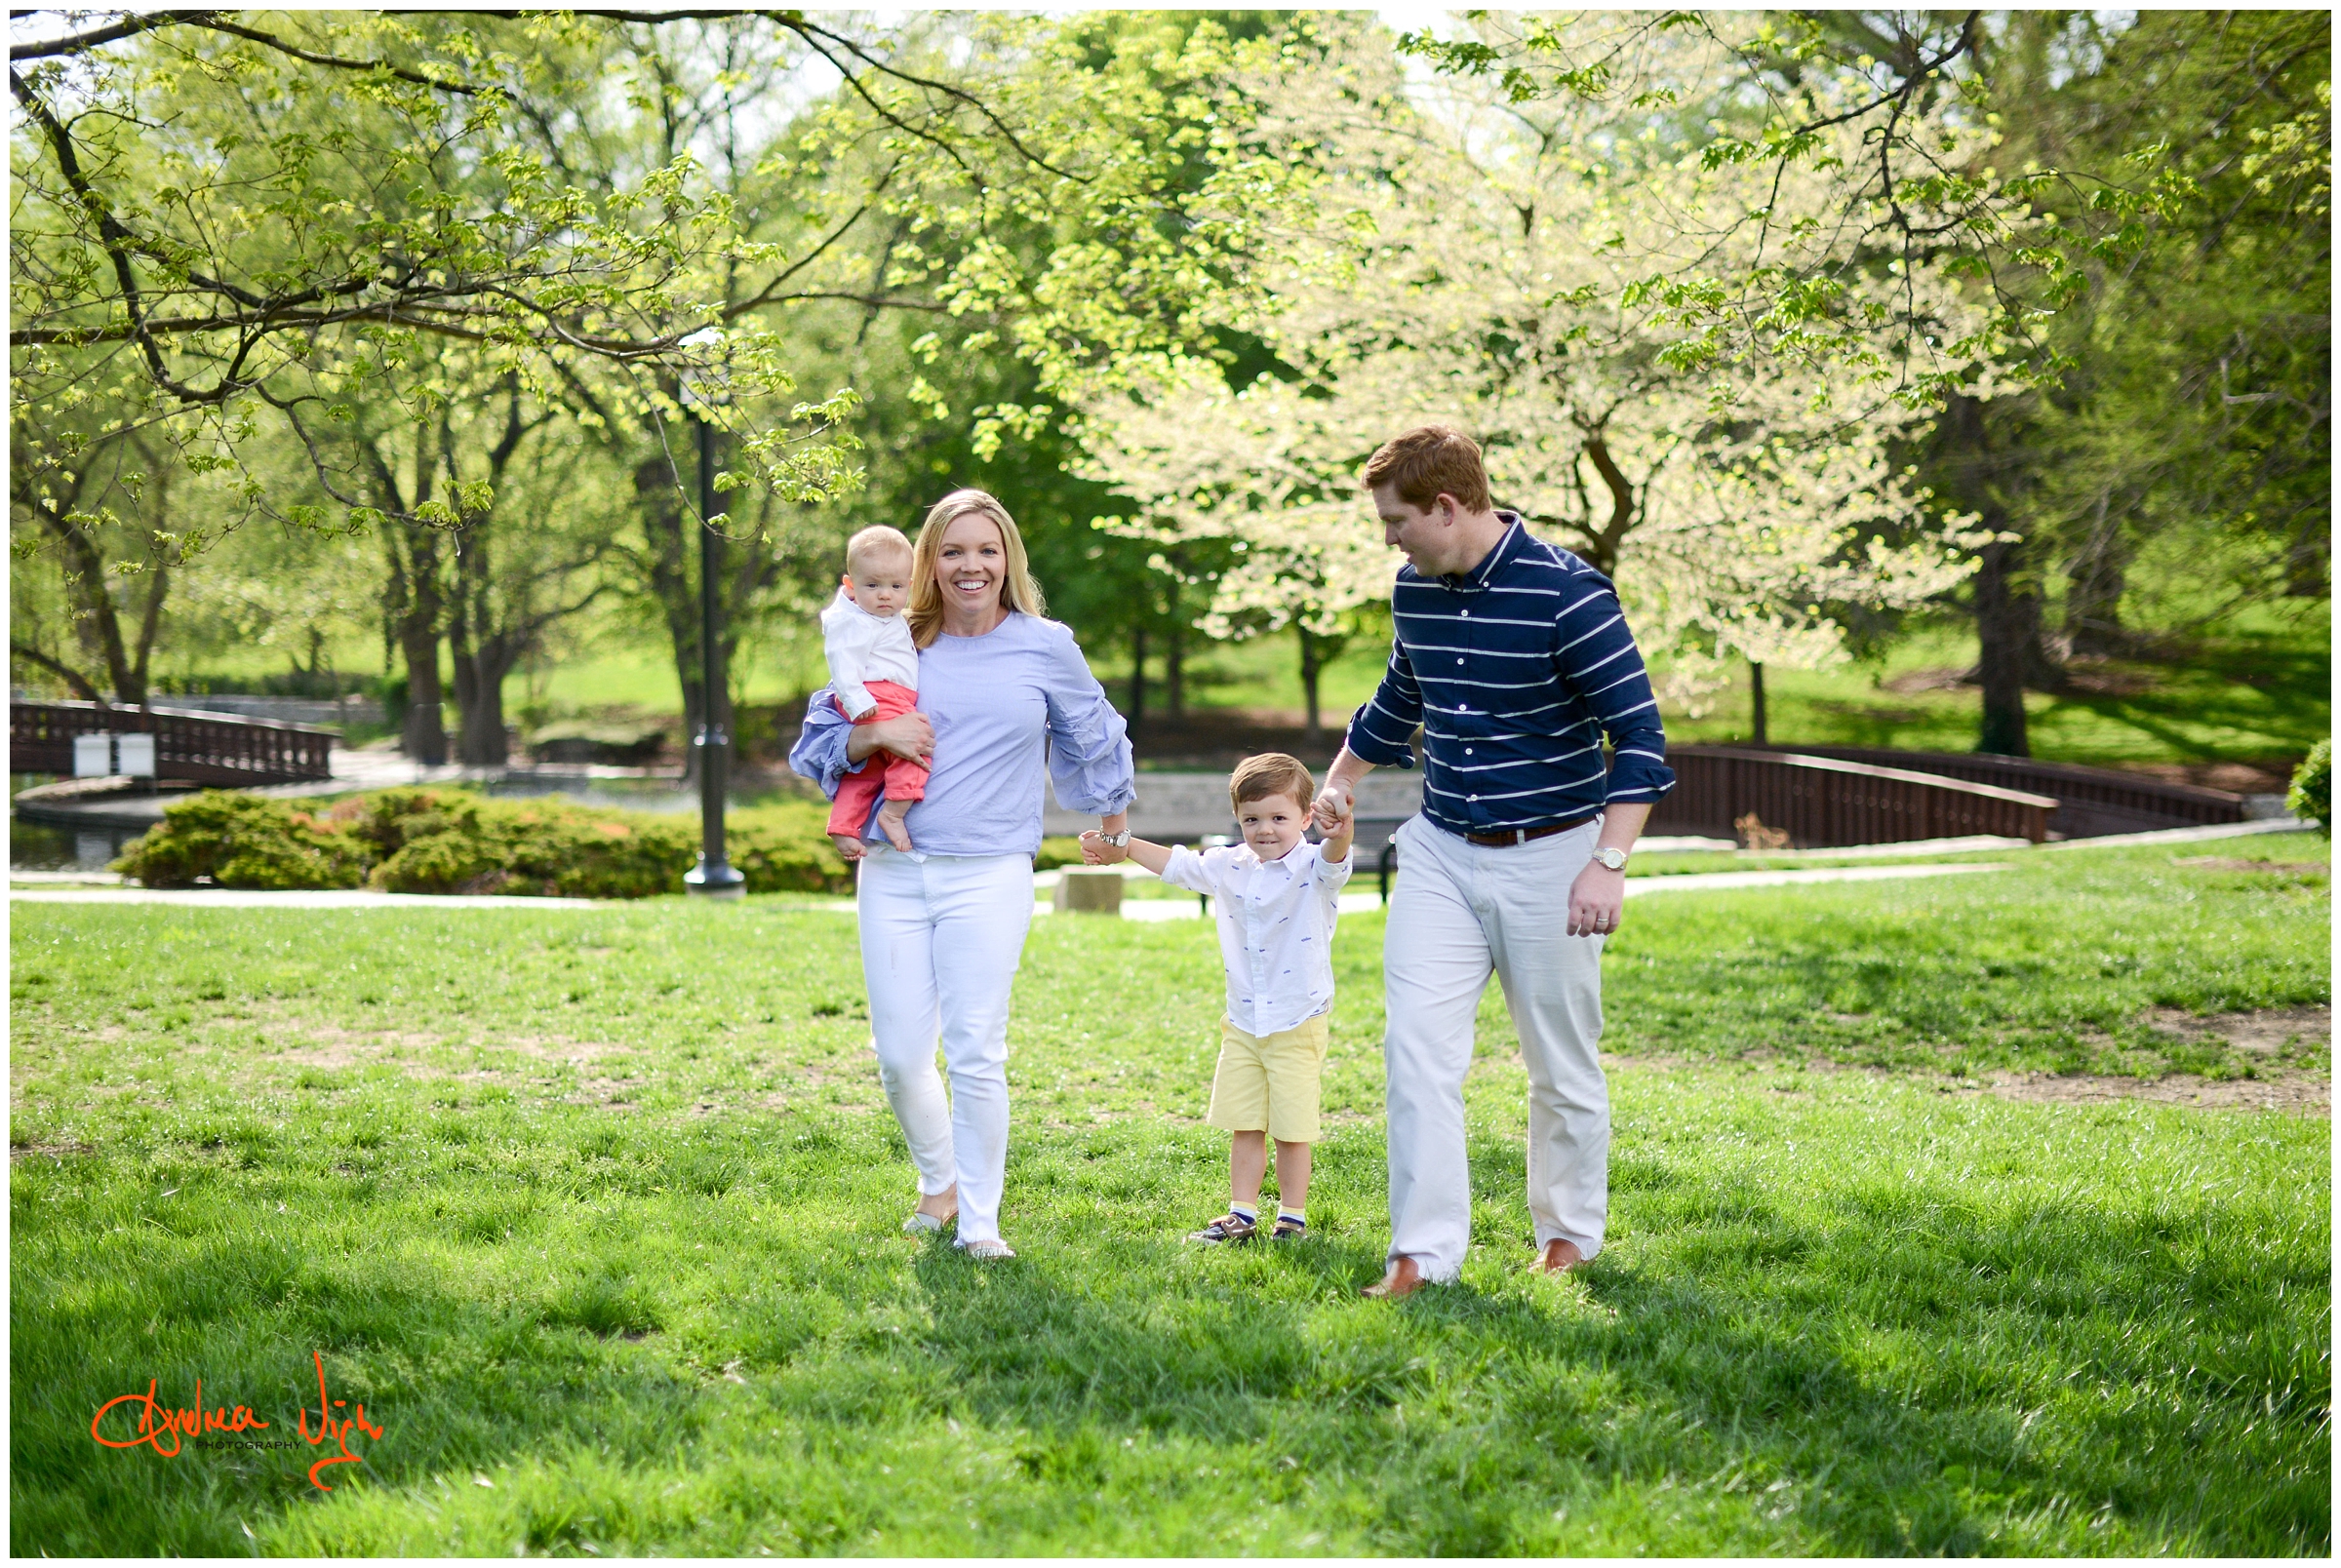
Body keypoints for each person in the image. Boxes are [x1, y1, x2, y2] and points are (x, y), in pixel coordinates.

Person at [1310, 425, 1675, 1300]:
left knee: (1559, 1063)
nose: (1389, 539)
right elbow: (1402, 694)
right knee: (1415, 1052)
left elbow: (1639, 737)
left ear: (1446, 507)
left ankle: (1569, 1238)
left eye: (1397, 521)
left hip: (1554, 856)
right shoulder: (1414, 589)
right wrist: (1341, 778)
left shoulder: (1568, 595)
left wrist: (1608, 861)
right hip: (1441, 851)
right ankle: (1422, 1256)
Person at [790, 489, 1135, 1261]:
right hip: (893, 869)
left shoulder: (1045, 645)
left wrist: (1113, 822)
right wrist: (873, 735)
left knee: (977, 1048)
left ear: (1007, 558)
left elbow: (1094, 731)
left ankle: (980, 1221)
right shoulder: (891, 634)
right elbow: (818, 743)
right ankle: (938, 1183)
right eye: (951, 551)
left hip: (990, 872)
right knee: (899, 1055)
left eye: (986, 549)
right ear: (928, 561)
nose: (970, 566)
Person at [1081, 753, 1356, 1245]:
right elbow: (1177, 864)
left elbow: (1337, 855)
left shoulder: (1315, 866)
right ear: (1238, 819)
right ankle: (1241, 1215)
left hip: (1297, 1020)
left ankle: (1291, 1218)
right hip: (1244, 1022)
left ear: (1305, 818)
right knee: (1244, 1124)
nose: (1264, 829)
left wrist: (1341, 830)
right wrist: (1120, 845)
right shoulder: (1229, 865)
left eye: (1278, 817)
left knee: (1292, 1129)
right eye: (1252, 819)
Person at [820, 525, 925, 857]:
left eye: (896, 586)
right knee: (915, 748)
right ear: (850, 585)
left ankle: (842, 825)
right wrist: (856, 700)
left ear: (909, 585)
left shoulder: (884, 616)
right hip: (877, 696)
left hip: (887, 696)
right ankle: (893, 813)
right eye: (872, 585)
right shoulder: (852, 621)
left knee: (870, 769)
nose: (884, 595)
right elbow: (842, 663)